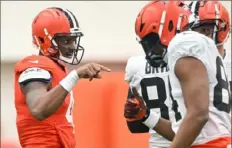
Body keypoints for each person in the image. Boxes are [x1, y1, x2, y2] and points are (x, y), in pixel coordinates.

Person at [124, 1, 231, 148]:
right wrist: (147, 116)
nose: (150, 51)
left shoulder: (183, 43)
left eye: (150, 41)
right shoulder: (193, 47)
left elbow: (199, 115)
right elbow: (184, 132)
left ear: (167, 26)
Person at [14, 7, 111, 148]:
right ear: (45, 39)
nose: (72, 46)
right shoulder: (35, 67)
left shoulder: (56, 68)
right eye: (66, 41)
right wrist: (75, 76)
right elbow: (38, 109)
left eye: (73, 40)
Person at [124, 1, 184, 147]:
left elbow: (135, 126)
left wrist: (146, 115)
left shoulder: (136, 66)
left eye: (151, 42)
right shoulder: (196, 62)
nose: (150, 50)